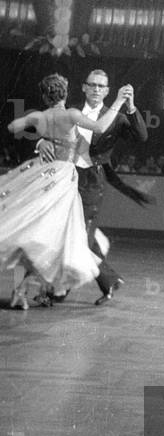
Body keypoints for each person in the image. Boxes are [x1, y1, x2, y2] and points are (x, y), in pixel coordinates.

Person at [1, 74, 129, 309]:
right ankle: (34, 289)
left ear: (44, 95)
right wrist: (119, 102)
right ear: (66, 93)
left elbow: (12, 126)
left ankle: (26, 291)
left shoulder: (38, 116)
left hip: (42, 175)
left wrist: (41, 138)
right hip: (61, 181)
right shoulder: (71, 114)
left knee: (38, 233)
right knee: (54, 236)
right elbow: (101, 126)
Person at [38, 70, 149, 305]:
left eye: (102, 86)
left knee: (78, 240)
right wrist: (42, 140)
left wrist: (130, 106)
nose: (97, 89)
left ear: (108, 91)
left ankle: (61, 289)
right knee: (69, 234)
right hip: (67, 179)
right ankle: (109, 281)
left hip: (92, 181)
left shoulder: (116, 115)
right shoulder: (71, 109)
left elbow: (141, 136)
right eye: (93, 85)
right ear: (84, 87)